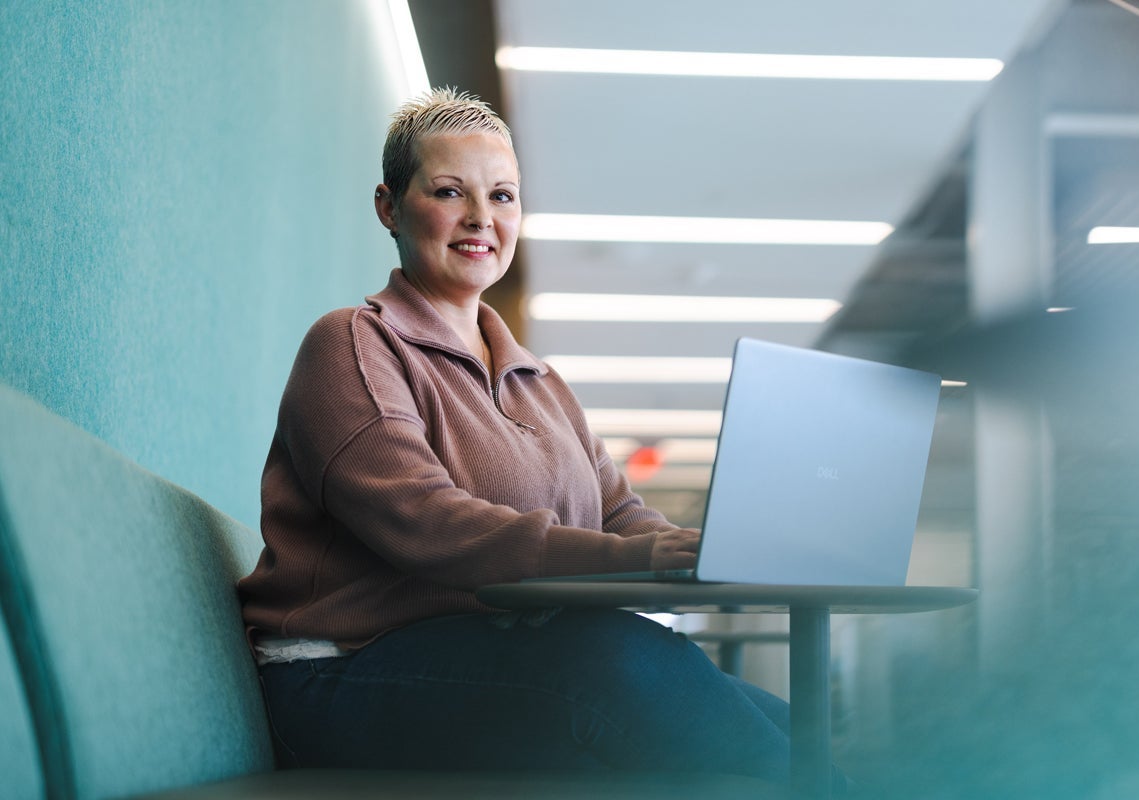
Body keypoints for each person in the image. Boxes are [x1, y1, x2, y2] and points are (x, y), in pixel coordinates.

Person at [237, 88, 796, 782]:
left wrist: (701, 551)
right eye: (449, 191)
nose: (481, 218)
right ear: (389, 207)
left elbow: (619, 513)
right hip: (340, 676)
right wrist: (646, 557)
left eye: (502, 196)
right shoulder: (353, 345)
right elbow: (427, 523)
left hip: (492, 659)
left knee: (781, 722)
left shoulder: (540, 381)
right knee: (627, 663)